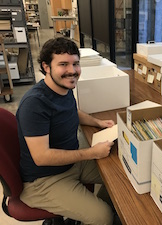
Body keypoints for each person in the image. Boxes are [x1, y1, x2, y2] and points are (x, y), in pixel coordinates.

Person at [16, 37, 116, 225]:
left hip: (71, 163)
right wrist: (91, 153)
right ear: (46, 67)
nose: (72, 71)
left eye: (76, 64)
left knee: (118, 176)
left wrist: (98, 122)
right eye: (63, 64)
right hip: (43, 180)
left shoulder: (64, 87)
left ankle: (92, 208)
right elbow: (42, 157)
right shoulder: (35, 104)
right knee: (103, 217)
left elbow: (72, 111)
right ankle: (97, 212)